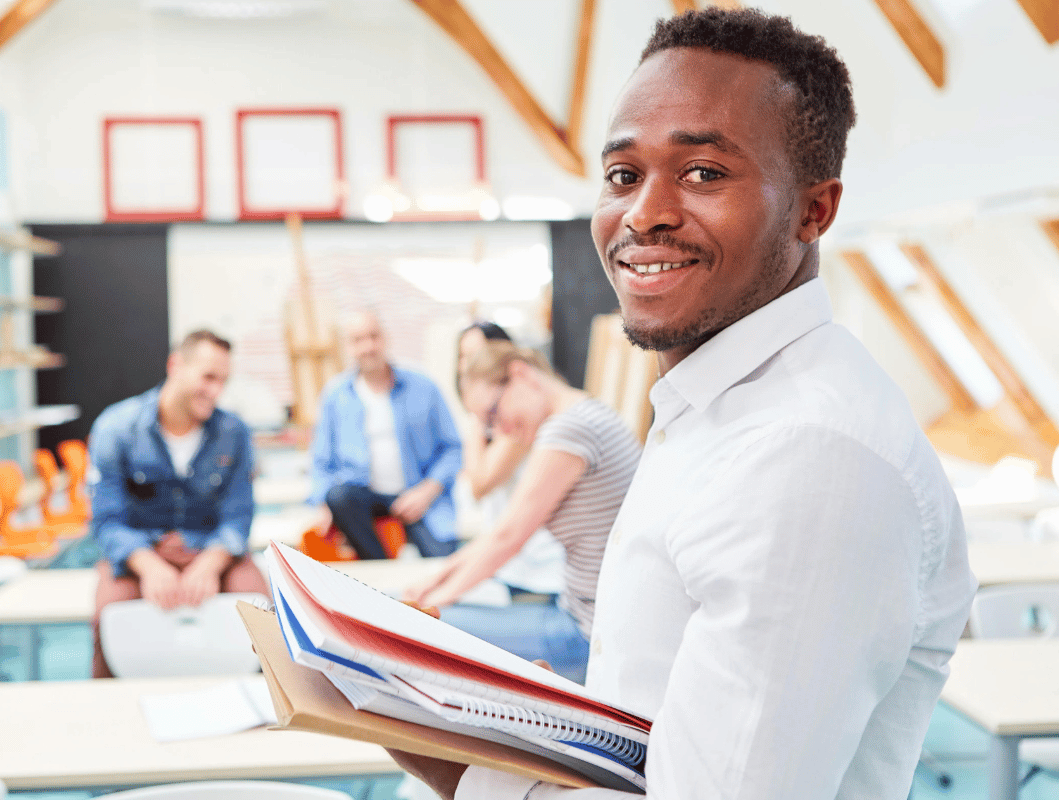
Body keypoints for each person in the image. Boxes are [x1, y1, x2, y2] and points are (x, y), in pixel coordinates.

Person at [391, 8, 976, 799]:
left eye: (703, 173)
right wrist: (537, 727)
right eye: (623, 175)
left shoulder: (809, 453)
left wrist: (461, 765)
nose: (643, 214)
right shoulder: (714, 409)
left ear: (814, 210)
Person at [404, 341, 641, 683]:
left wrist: (431, 606)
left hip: (586, 633)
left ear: (520, 374)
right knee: (410, 607)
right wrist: (435, 582)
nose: (499, 431)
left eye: (493, 414)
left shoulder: (569, 429)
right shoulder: (586, 412)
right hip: (590, 617)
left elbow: (507, 537)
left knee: (412, 630)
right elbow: (502, 531)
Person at [87, 329, 269, 679]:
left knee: (263, 615)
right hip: (142, 554)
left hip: (213, 550)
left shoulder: (235, 433)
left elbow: (238, 516)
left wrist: (210, 564)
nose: (215, 392)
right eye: (208, 378)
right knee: (107, 617)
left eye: (223, 382)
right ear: (175, 366)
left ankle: (267, 710)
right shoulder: (116, 429)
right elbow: (107, 521)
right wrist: (150, 566)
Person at [309, 310, 463, 559]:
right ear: (348, 347)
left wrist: (427, 491)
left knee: (443, 564)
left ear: (386, 338)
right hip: (363, 500)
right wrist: (323, 504)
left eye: (374, 336)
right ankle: (378, 566)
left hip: (419, 498)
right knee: (338, 497)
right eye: (358, 340)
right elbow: (321, 461)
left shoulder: (424, 387)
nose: (368, 346)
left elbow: (453, 449)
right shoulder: (335, 396)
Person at [456, 321, 565, 597]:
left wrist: (474, 423)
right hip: (519, 567)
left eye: (477, 355)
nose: (467, 366)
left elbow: (478, 485)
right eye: (463, 357)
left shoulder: (517, 425)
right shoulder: (504, 422)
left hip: (538, 573)